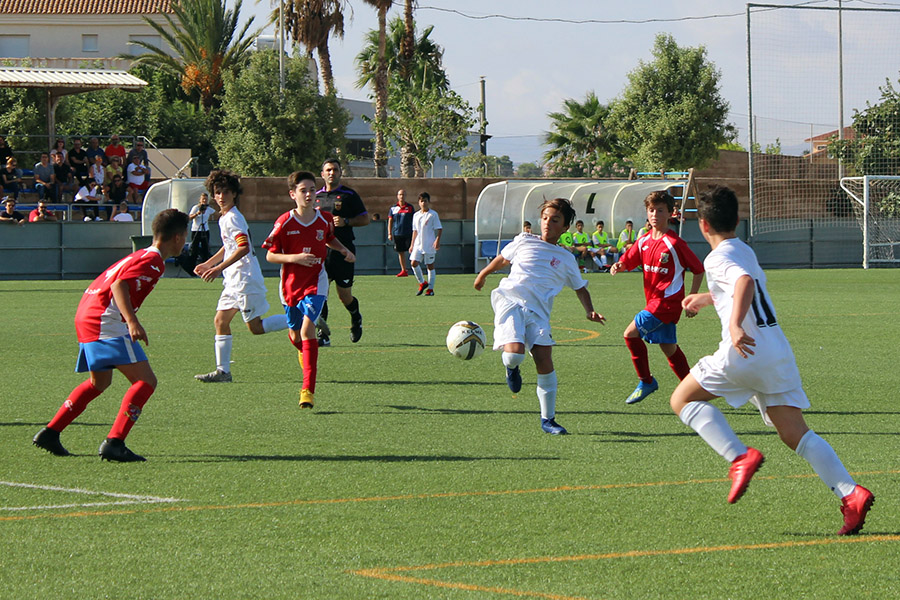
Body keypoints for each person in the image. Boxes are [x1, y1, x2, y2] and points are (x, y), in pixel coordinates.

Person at [672, 185, 874, 535]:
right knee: (795, 433)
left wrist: (734, 325)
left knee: (682, 399)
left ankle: (739, 457)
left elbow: (744, 283)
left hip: (744, 352)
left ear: (703, 226)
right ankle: (850, 493)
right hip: (776, 352)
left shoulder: (716, 258)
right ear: (737, 220)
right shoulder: (743, 248)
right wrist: (707, 298)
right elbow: (743, 285)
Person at [31, 208, 189, 462]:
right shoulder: (154, 261)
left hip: (87, 314)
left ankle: (50, 432)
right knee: (146, 382)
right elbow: (119, 285)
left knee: (99, 383)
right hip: (104, 320)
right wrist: (132, 321)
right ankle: (114, 442)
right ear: (179, 237)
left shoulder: (141, 255)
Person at [474, 197, 606, 435]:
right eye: (545, 218)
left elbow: (580, 287)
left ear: (565, 227)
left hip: (539, 312)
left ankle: (548, 420)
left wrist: (589, 310)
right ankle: (511, 368)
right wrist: (483, 274)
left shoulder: (566, 258)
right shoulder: (524, 240)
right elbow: (503, 259)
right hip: (510, 301)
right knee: (515, 355)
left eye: (555, 220)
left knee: (544, 358)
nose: (547, 223)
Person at [262, 171, 356, 409]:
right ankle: (303, 347)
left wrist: (344, 250)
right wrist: (296, 258)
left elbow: (329, 238)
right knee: (296, 335)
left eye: (312, 190)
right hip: (290, 286)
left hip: (316, 282)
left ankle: (307, 392)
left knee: (307, 330)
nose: (309, 194)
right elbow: (270, 255)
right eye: (303, 190)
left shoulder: (324, 218)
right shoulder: (284, 222)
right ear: (293, 194)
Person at [193, 170, 289, 383]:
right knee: (220, 320)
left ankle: (302, 318)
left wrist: (217, 269)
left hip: (245, 279)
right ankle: (223, 372)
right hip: (233, 280)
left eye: (226, 192)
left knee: (255, 328)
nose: (221, 196)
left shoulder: (233, 217)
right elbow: (230, 246)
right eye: (217, 192)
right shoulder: (224, 217)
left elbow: (243, 248)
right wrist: (210, 263)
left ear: (235, 194)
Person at [610, 190, 705, 405]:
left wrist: (692, 298)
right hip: (653, 302)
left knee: (630, 334)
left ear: (670, 213)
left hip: (666, 303)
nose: (654, 215)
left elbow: (698, 269)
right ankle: (693, 391)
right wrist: (620, 265)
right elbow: (629, 260)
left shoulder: (674, 243)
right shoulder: (643, 240)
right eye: (651, 210)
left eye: (660, 210)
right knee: (668, 347)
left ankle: (646, 381)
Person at [314, 158, 369, 346]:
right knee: (321, 294)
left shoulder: (349, 195)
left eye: (335, 170)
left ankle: (356, 317)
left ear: (340, 173)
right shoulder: (316, 197)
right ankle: (323, 335)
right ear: (322, 174)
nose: (331, 173)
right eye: (328, 170)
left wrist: (346, 221)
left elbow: (365, 219)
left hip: (344, 252)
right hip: (321, 254)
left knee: (344, 296)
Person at [410, 192, 443, 296]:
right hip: (418, 244)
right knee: (413, 263)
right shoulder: (416, 215)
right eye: (421, 201)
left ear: (428, 202)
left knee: (430, 266)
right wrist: (412, 244)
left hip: (429, 244)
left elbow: (439, 228)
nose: (423, 203)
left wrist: (437, 240)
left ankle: (431, 289)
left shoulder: (433, 214)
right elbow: (415, 231)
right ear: (418, 202)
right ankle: (422, 283)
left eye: (425, 201)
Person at [387, 188, 414, 277]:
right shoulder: (393, 208)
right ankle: (403, 270)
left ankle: (415, 268)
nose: (402, 196)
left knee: (412, 251)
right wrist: (389, 233)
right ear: (397, 196)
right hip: (397, 233)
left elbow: (414, 220)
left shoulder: (410, 207)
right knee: (400, 252)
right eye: (400, 195)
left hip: (408, 233)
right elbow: (390, 220)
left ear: (405, 196)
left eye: (403, 194)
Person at [188, 192, 213, 267]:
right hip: (196, 230)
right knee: (194, 249)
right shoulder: (196, 207)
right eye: (203, 199)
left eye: (206, 199)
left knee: (205, 249)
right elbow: (189, 217)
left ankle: (204, 267)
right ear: (200, 200)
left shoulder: (208, 209)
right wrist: (197, 213)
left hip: (205, 230)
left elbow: (217, 213)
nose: (204, 200)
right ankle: (192, 267)